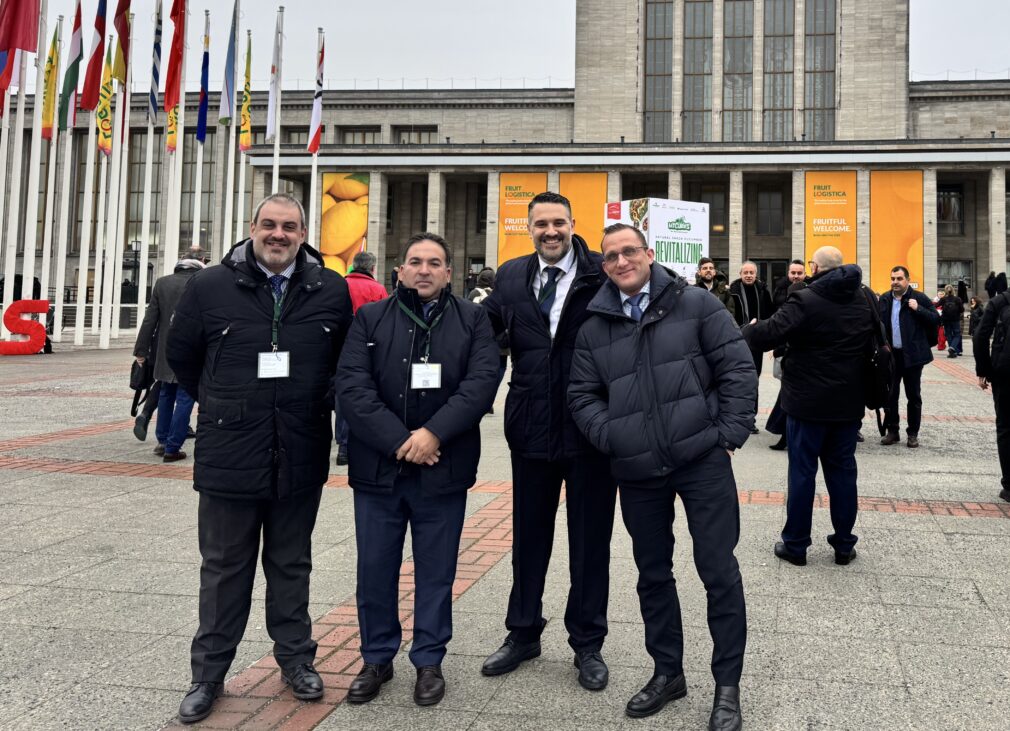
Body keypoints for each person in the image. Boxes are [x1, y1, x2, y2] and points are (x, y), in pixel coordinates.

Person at [165, 193, 352, 724]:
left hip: (300, 448)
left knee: (291, 564)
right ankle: (208, 675)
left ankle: (296, 660)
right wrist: (224, 402)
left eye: (289, 226)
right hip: (230, 451)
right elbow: (183, 356)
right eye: (269, 225)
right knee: (224, 569)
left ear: (302, 232)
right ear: (252, 228)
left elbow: (342, 360)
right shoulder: (209, 285)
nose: (278, 234)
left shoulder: (328, 288)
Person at [568, 223, 755, 728]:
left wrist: (728, 434)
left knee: (718, 571)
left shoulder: (695, 303)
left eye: (630, 251)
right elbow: (582, 397)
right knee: (653, 574)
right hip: (638, 470)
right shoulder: (594, 325)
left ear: (649, 253)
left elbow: (737, 367)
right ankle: (667, 672)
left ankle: (727, 686)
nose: (621, 261)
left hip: (702, 461)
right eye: (611, 256)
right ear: (603, 265)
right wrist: (616, 438)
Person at [337, 233, 499, 707]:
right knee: (375, 569)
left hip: (442, 469)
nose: (424, 270)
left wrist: (433, 435)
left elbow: (482, 382)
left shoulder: (473, 319)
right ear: (400, 270)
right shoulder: (371, 317)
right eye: (415, 262)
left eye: (434, 263)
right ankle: (376, 657)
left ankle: (429, 659)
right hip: (378, 471)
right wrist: (400, 441)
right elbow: (352, 385)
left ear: (450, 272)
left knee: (436, 571)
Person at [481, 191, 618, 691]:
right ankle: (523, 632)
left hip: (591, 431)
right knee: (529, 538)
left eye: (558, 222)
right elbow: (481, 335)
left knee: (590, 542)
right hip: (531, 427)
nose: (550, 231)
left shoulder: (602, 273)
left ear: (572, 223)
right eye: (541, 224)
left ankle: (587, 643)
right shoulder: (512, 276)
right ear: (530, 228)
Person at [743, 246, 875, 569]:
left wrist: (749, 329)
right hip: (848, 404)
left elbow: (769, 333)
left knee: (802, 474)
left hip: (807, 404)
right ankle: (844, 544)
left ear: (814, 267)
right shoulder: (866, 297)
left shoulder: (806, 298)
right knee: (843, 474)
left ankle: (796, 544)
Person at [133, 256, 205, 462]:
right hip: (192, 350)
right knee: (185, 398)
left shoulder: (162, 283)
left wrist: (141, 350)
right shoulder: (201, 283)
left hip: (165, 351)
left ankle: (162, 441)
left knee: (166, 394)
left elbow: (150, 319)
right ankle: (173, 447)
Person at [335, 250, 389, 466]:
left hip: (340, 347)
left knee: (343, 393)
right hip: (369, 349)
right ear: (372, 268)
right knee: (367, 392)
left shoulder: (340, 285)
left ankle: (343, 444)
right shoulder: (377, 289)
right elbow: (385, 323)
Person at [877, 266, 941, 448]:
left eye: (899, 278)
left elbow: (936, 319)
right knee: (891, 394)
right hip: (892, 355)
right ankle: (892, 430)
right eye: (893, 278)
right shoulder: (885, 298)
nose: (895, 282)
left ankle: (912, 433)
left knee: (913, 395)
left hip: (912, 355)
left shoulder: (918, 297)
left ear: (907, 279)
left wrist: (918, 308)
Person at [766, 260, 809, 449]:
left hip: (800, 353)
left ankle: (787, 436)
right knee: (787, 393)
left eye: (799, 273)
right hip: (788, 350)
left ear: (805, 274)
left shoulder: (809, 294)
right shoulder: (780, 290)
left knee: (790, 395)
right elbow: (777, 322)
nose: (796, 276)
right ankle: (786, 435)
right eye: (793, 272)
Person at [974, 288, 1010, 503]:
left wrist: (984, 370)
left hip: (1005, 372)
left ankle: (1009, 485)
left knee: (1006, 426)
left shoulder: (999, 301)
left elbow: (980, 336)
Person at [730, 261, 773, 433]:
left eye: (751, 272)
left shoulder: (763, 290)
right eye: (745, 272)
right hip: (737, 341)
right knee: (736, 381)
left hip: (756, 342)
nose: (748, 275)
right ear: (740, 274)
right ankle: (736, 417)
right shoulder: (732, 291)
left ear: (756, 274)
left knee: (753, 380)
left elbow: (770, 314)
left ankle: (750, 419)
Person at [939, 284, 964, 357]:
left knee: (948, 334)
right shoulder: (957, 299)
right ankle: (952, 348)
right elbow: (962, 309)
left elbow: (935, 305)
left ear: (945, 291)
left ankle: (952, 352)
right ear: (953, 290)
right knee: (957, 334)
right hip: (955, 319)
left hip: (946, 319)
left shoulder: (943, 299)